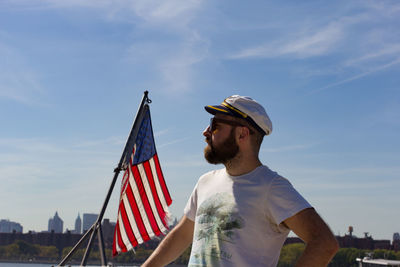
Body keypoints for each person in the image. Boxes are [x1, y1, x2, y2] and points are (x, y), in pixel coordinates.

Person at [142, 95, 339, 267]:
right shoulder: (205, 182)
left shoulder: (272, 187)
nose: (206, 132)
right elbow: (183, 234)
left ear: (242, 134)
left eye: (215, 125)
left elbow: (324, 243)